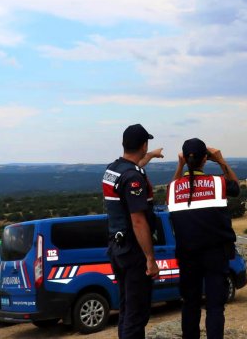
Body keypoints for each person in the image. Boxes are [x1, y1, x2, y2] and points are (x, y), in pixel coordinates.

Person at [167, 138, 240, 339]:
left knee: (190, 305)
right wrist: (222, 160)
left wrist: (180, 166)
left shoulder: (173, 188)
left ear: (185, 159)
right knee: (215, 307)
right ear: (205, 159)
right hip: (216, 254)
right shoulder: (218, 183)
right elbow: (236, 187)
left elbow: (172, 188)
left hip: (188, 255)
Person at [102, 124, 163, 339]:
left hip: (117, 248)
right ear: (143, 145)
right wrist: (150, 258)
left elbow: (134, 167)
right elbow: (138, 221)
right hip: (134, 252)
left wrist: (151, 157)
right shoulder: (134, 179)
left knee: (127, 309)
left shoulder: (114, 169)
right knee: (137, 315)